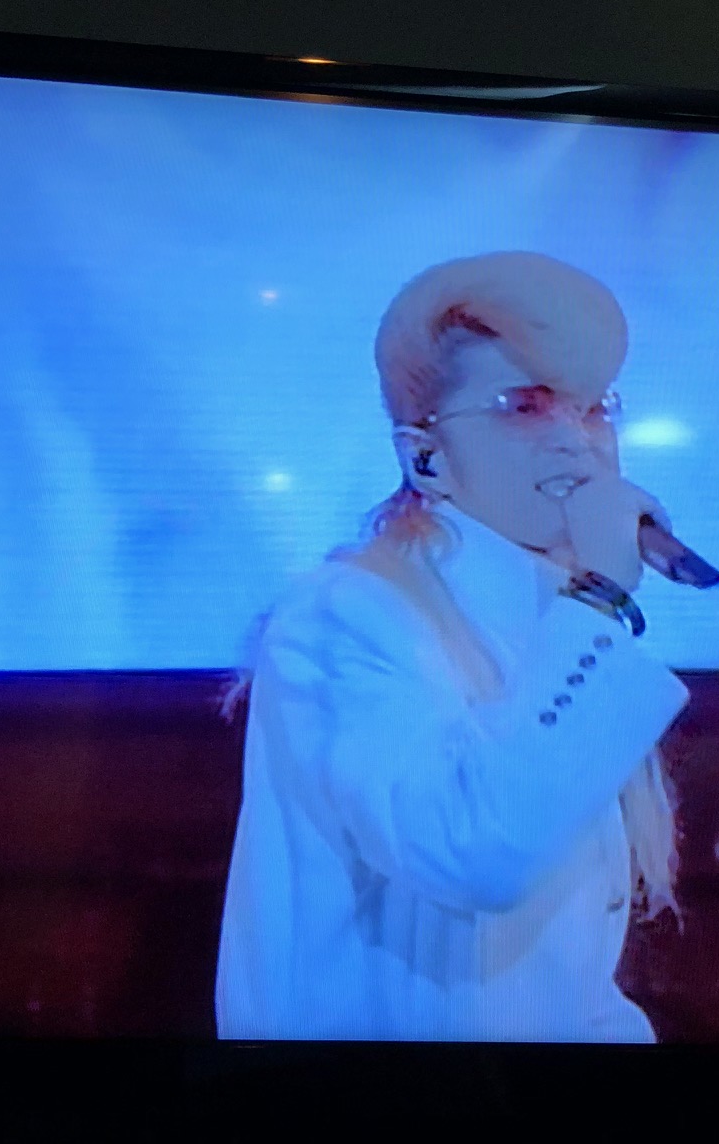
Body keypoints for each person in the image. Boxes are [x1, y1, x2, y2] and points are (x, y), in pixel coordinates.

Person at [215, 252, 691, 1041]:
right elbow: (475, 851)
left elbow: (573, 991)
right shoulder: (343, 617)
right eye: (526, 407)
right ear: (426, 457)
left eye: (594, 408)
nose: (578, 443)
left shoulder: (556, 627)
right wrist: (602, 597)